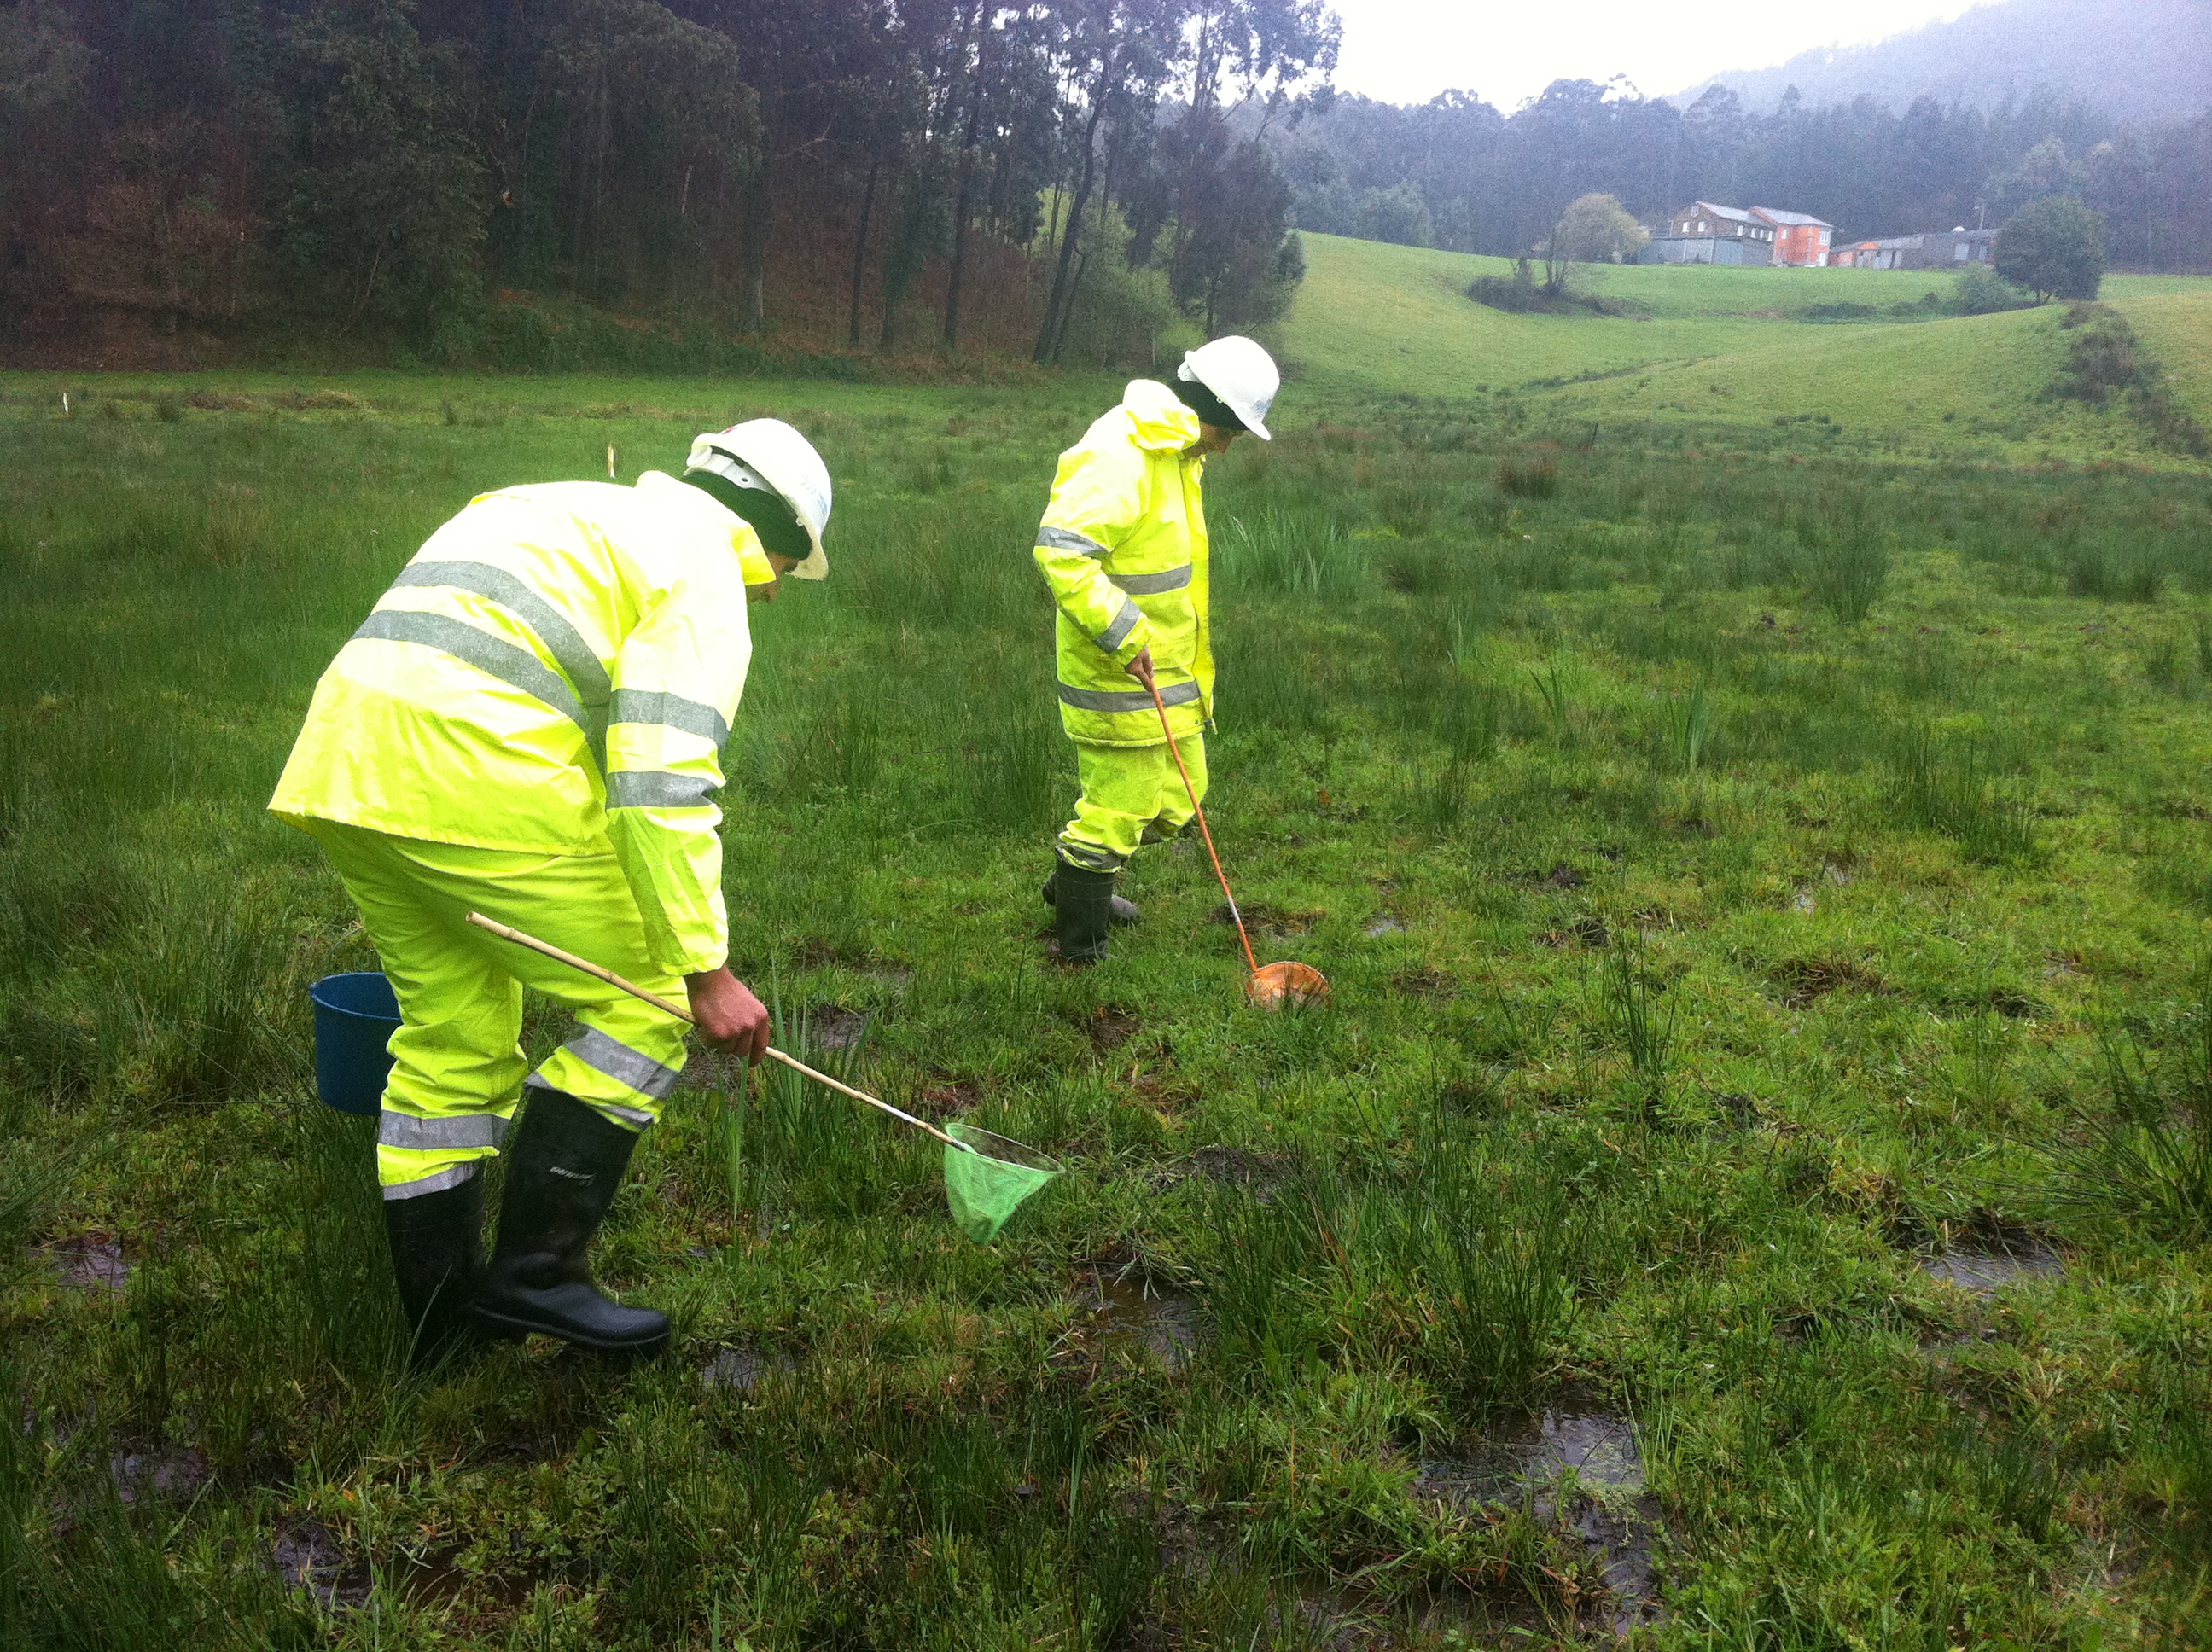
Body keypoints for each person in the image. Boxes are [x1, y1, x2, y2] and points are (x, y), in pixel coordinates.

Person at [269, 421, 833, 1362]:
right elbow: (660, 783)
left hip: (347, 764)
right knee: (648, 1001)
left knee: (452, 1037)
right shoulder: (702, 566)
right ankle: (539, 1274)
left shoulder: (560, 503)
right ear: (767, 528)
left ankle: (445, 1328)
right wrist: (703, 968)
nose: (772, 591)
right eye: (782, 568)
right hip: (468, 769)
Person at [1031, 335, 1279, 964]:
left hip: (1168, 675)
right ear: (1208, 406)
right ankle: (1081, 944)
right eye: (1230, 432)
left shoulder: (1177, 453)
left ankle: (1077, 882)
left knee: (1182, 795)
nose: (1226, 446)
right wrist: (1126, 633)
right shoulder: (1122, 451)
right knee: (1121, 806)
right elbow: (1063, 552)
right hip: (1116, 673)